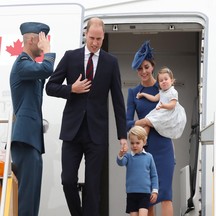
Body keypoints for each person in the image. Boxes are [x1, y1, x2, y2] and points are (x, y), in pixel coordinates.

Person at [45, 17, 128, 216]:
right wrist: (71, 89)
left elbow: (118, 101)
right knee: (67, 181)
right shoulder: (71, 57)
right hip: (72, 132)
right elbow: (50, 87)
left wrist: (122, 136)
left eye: (99, 39)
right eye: (92, 38)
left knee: (92, 187)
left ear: (103, 37)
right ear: (85, 34)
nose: (95, 43)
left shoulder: (110, 62)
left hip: (96, 135)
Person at [9, 22, 55, 216]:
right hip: (25, 139)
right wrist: (48, 52)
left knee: (33, 196)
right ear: (32, 39)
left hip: (32, 140)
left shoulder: (29, 66)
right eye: (43, 39)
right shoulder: (22, 64)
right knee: (26, 198)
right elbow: (47, 69)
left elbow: (44, 72)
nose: (46, 43)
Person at [126, 40, 174, 216]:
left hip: (164, 147)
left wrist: (148, 122)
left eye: (146, 66)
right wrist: (142, 122)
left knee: (166, 196)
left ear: (152, 66)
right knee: (149, 198)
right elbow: (127, 122)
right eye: (139, 69)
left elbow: (172, 116)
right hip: (145, 150)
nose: (143, 71)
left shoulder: (164, 89)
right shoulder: (133, 93)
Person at [117, 125, 159, 216]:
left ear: (144, 142)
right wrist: (121, 154)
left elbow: (154, 175)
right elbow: (121, 163)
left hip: (145, 194)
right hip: (131, 194)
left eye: (137, 143)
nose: (134, 145)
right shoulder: (128, 157)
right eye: (132, 143)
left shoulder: (149, 157)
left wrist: (155, 191)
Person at [136, 66, 186, 139]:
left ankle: (132, 125)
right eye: (161, 80)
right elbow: (154, 98)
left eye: (166, 79)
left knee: (145, 121)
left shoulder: (173, 92)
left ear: (171, 81)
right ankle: (144, 139)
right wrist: (143, 94)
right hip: (160, 113)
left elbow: (172, 105)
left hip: (167, 114)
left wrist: (164, 106)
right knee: (147, 122)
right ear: (159, 84)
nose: (164, 81)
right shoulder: (162, 92)